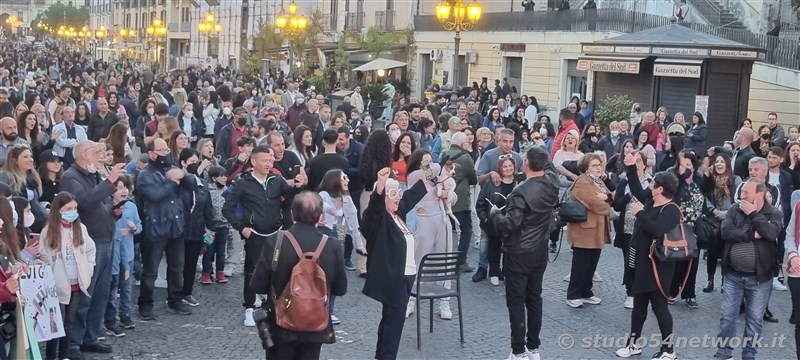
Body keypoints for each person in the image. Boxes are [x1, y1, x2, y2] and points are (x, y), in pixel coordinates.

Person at [249, 191, 347, 359]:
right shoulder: (333, 245)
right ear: (319, 216)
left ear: (292, 213)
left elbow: (257, 284)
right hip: (316, 324)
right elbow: (340, 288)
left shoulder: (276, 241)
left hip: (281, 324)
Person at [222, 145, 304, 327]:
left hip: (276, 232)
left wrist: (298, 187)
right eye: (265, 160)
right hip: (255, 233)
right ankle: (249, 308)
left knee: (276, 269)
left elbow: (288, 197)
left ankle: (271, 304)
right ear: (254, 161)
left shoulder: (276, 179)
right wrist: (241, 227)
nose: (269, 163)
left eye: (271, 160)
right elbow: (227, 208)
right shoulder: (243, 183)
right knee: (252, 270)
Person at [489, 146, 558, 360]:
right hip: (539, 251)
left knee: (516, 301)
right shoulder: (552, 183)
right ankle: (534, 348)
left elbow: (511, 224)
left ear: (526, 163)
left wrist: (495, 216)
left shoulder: (521, 191)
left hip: (518, 252)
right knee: (535, 299)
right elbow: (550, 166)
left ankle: (518, 351)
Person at [60, 140, 124, 355]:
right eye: (97, 152)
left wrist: (113, 211)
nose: (101, 156)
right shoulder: (71, 177)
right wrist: (110, 181)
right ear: (84, 154)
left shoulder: (93, 174)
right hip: (88, 242)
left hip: (105, 237)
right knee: (85, 294)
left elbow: (101, 203)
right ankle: (73, 343)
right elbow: (84, 203)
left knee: (101, 294)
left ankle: (91, 336)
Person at [615, 154, 681, 360]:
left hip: (657, 267)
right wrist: (631, 168)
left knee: (660, 309)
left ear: (660, 189)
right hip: (640, 262)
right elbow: (635, 189)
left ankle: (669, 350)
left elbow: (656, 230)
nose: (649, 186)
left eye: (652, 183)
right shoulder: (650, 200)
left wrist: (640, 213)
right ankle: (633, 344)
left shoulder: (671, 210)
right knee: (638, 307)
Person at [361, 167, 427, 360]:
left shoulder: (398, 214)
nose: (397, 197)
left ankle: (381, 356)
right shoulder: (378, 219)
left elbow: (409, 198)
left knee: (390, 320)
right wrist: (380, 187)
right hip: (394, 278)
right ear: (383, 197)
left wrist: (426, 180)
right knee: (395, 323)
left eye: (398, 192)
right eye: (392, 194)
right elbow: (374, 210)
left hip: (406, 277)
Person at [714, 179, 782, 360]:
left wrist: (753, 214)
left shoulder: (773, 213)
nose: (741, 196)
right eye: (741, 191)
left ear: (759, 194)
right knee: (727, 316)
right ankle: (724, 353)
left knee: (754, 320)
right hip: (733, 275)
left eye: (746, 192)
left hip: (760, 278)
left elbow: (771, 233)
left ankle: (749, 355)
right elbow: (726, 233)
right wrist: (751, 235)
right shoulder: (734, 210)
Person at [136, 138, 198, 319]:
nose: (165, 152)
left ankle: (175, 300)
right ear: (152, 153)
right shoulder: (145, 175)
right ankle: (145, 304)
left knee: (177, 268)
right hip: (156, 228)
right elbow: (156, 195)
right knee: (150, 271)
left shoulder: (172, 169)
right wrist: (174, 182)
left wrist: (182, 175)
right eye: (161, 150)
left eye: (166, 149)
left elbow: (193, 184)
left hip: (176, 226)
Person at [40, 192, 96, 360]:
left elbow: (90, 250)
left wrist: (88, 269)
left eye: (75, 208)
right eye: (68, 209)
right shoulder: (48, 232)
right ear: (58, 210)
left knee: (68, 322)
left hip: (76, 284)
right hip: (56, 285)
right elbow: (45, 257)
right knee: (55, 323)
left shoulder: (81, 229)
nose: (72, 212)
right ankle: (51, 356)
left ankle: (64, 355)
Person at [565, 153, 612, 308]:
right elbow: (595, 203)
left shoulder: (597, 180)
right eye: (594, 165)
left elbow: (610, 195)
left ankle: (586, 292)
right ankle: (573, 294)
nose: (598, 167)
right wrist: (607, 202)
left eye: (599, 164)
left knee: (591, 263)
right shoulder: (582, 182)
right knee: (581, 264)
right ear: (586, 168)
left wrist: (607, 197)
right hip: (584, 230)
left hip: (596, 229)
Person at [177, 148, 216, 307]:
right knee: (177, 264)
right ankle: (174, 294)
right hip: (179, 230)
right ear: (183, 163)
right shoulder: (178, 183)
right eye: (191, 162)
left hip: (196, 230)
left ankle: (187, 292)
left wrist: (210, 228)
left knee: (191, 263)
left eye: (196, 162)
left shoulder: (202, 184)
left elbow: (208, 207)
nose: (194, 165)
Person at [440, 132, 478, 272]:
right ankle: (461, 261)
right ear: (463, 144)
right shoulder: (466, 158)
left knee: (446, 230)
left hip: (445, 198)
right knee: (466, 230)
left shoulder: (445, 154)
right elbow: (473, 179)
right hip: (460, 199)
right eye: (468, 142)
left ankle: (444, 259)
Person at [109, 175, 140, 331]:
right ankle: (110, 318)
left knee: (127, 286)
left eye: (126, 187)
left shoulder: (131, 206)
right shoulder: (107, 207)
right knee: (112, 287)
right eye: (120, 187)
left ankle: (125, 314)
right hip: (112, 254)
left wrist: (135, 228)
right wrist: (118, 233)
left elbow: (139, 226)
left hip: (127, 253)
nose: (124, 191)